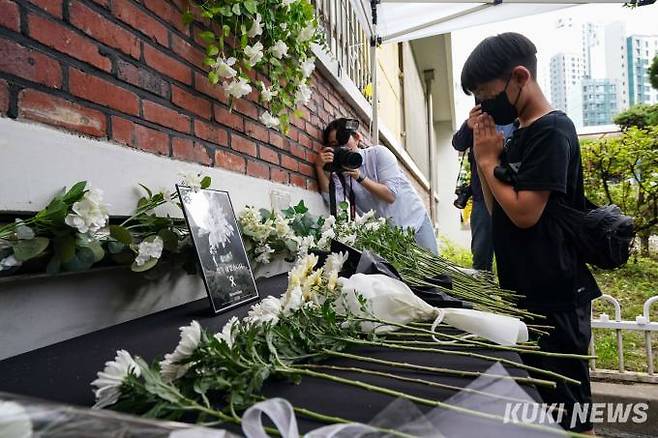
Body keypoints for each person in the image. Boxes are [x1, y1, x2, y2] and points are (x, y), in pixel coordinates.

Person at [461, 33, 601, 434]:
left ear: (519, 77)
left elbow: (525, 213)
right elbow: (496, 209)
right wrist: (481, 155)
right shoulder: (518, 132)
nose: (483, 107)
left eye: (486, 96)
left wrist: (489, 162)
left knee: (571, 409)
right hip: (526, 286)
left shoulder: (552, 129)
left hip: (556, 291)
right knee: (543, 403)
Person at [314, 118, 438, 255]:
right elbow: (333, 202)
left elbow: (390, 195)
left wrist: (359, 177)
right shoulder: (339, 174)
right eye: (334, 144)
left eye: (344, 140)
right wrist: (319, 167)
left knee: (437, 274)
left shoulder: (378, 154)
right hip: (389, 239)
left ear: (357, 138)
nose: (341, 147)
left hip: (414, 221)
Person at [452, 106, 515, 271]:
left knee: (515, 253)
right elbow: (458, 143)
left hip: (514, 194)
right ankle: (485, 290)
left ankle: (512, 293)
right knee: (481, 256)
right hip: (481, 196)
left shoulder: (518, 117)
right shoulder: (480, 120)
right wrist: (468, 124)